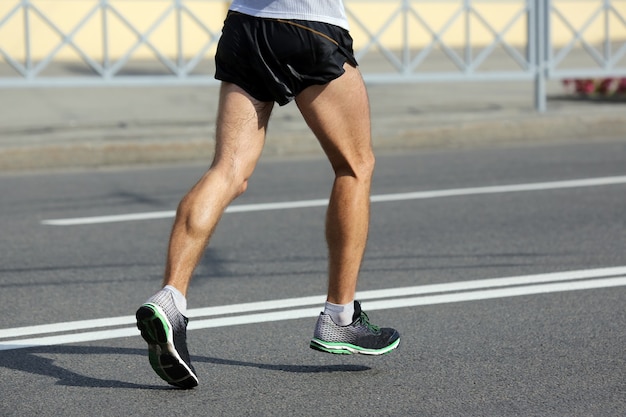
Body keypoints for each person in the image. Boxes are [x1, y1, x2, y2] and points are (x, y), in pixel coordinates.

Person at [135, 0, 400, 389]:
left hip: (245, 26)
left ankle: (171, 299)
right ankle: (340, 319)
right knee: (354, 166)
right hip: (310, 25)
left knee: (228, 170)